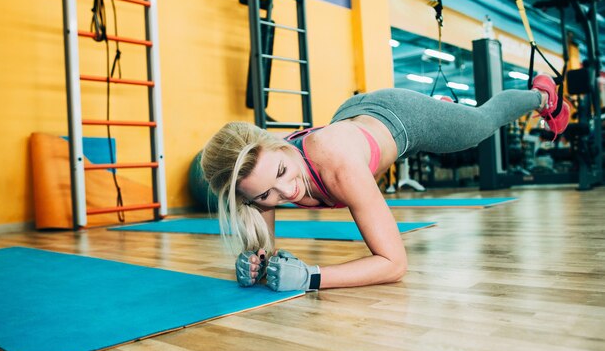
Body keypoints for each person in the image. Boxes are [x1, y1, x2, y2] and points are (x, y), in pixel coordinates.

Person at [200, 74, 569, 292]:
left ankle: (541, 95)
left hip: (403, 115)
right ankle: (443, 111)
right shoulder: (259, 179)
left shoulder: (337, 163)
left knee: (478, 125)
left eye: (282, 173)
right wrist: (254, 262)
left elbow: (393, 264)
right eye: (265, 195)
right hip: (353, 114)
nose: (287, 193)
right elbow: (266, 248)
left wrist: (312, 277)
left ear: (278, 144)